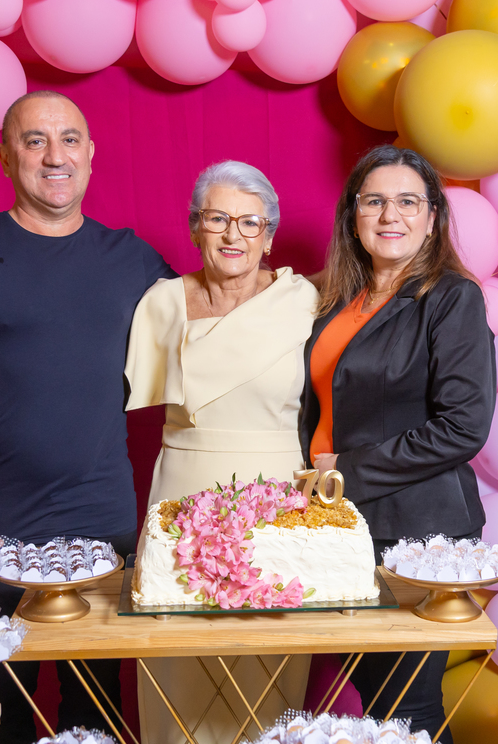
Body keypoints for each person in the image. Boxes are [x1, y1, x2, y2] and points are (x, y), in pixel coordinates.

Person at [0, 91, 175, 744]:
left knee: (95, 703)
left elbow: (218, 321)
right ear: (5, 158)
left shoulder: (133, 259)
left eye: (69, 139)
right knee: (3, 704)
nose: (56, 156)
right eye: (35, 141)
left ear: (90, 155)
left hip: (101, 519)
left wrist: (306, 290)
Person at [299, 145, 496, 742]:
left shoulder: (453, 298)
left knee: (407, 706)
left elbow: (464, 426)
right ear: (353, 216)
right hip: (337, 523)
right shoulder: (338, 301)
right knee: (376, 696)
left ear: (432, 217)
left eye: (408, 202)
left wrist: (344, 471)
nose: (391, 215)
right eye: (375, 201)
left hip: (417, 531)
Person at [125, 160, 318, 744]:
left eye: (250, 222)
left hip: (277, 499)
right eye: (217, 219)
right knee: (176, 659)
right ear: (195, 228)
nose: (234, 234)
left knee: (267, 663)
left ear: (269, 236)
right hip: (181, 493)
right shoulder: (160, 303)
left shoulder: (302, 300)